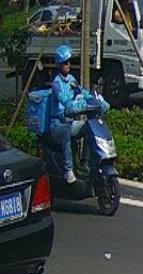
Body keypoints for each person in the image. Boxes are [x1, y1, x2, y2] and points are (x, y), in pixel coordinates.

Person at [49, 44, 95, 184]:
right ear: (59, 64)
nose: (68, 64)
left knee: (89, 128)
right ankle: (68, 170)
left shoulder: (71, 79)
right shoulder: (56, 84)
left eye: (69, 61)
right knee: (66, 131)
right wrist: (75, 106)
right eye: (65, 62)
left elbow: (82, 92)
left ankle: (84, 163)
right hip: (57, 125)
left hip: (69, 121)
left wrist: (94, 99)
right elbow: (65, 101)